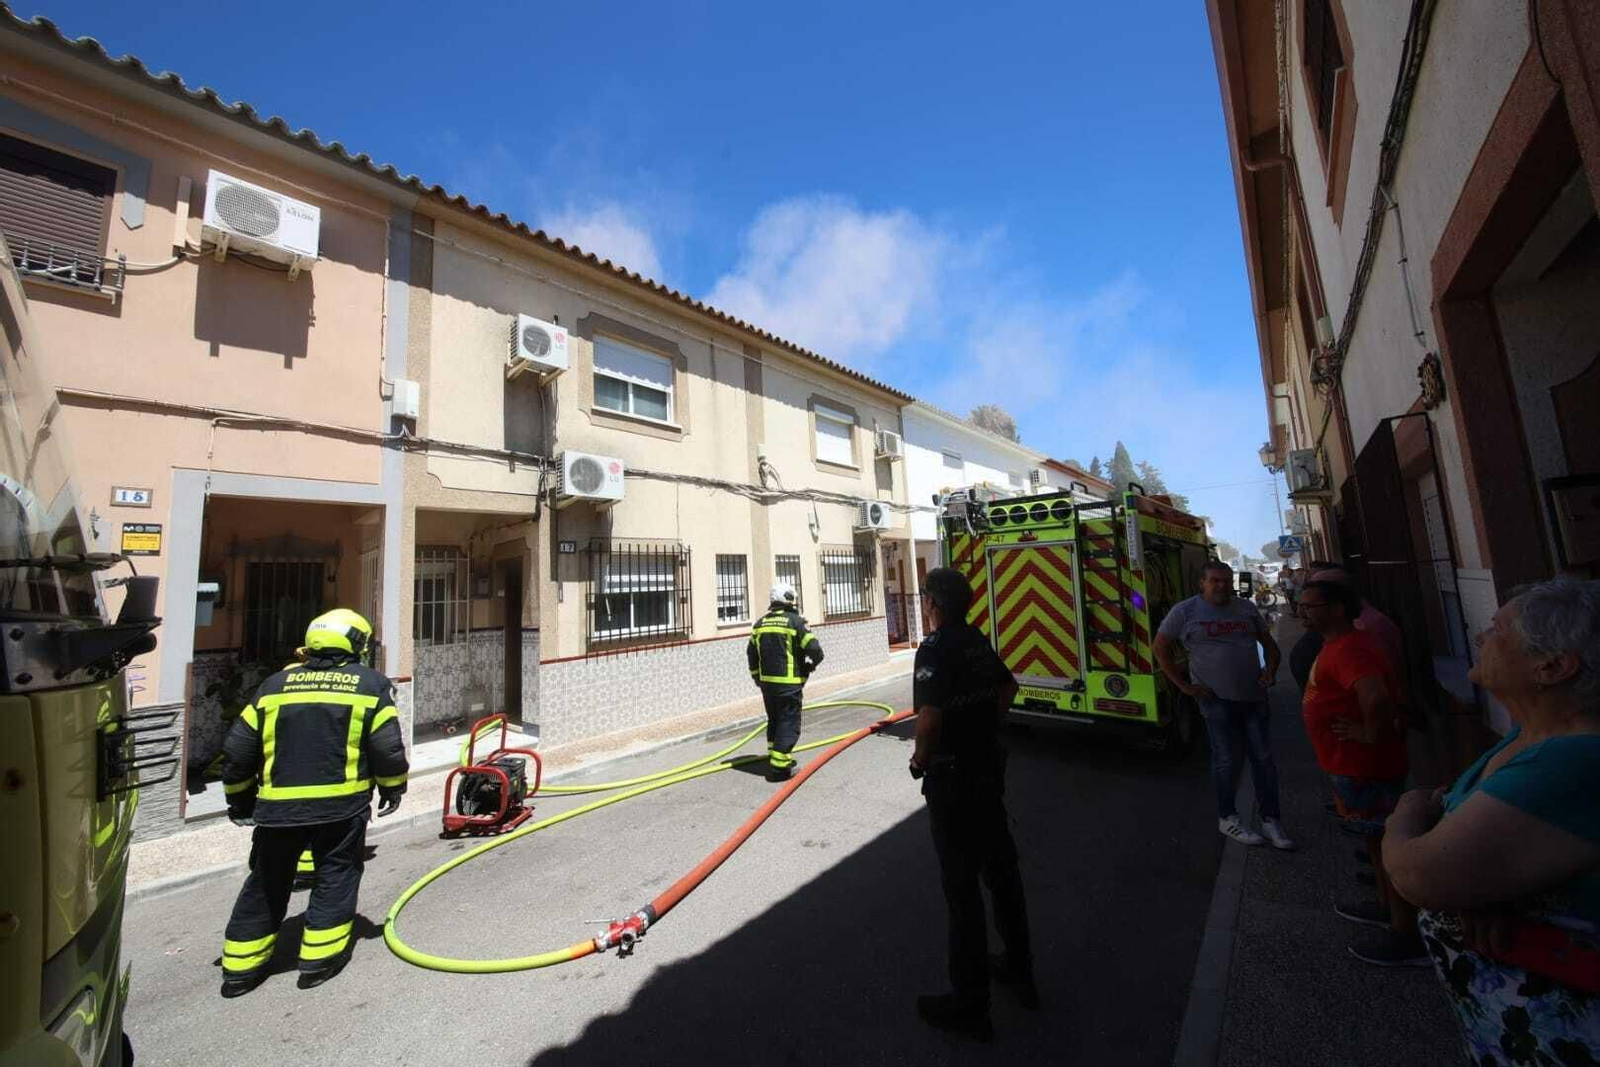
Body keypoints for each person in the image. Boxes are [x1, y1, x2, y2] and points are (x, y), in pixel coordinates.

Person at [1385, 579, 1600, 1063]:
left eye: (1497, 630)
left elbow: (1416, 872)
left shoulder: (1577, 761)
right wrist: (1485, 884)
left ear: (1553, 666)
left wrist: (1405, 815)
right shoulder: (1531, 734)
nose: (1480, 637)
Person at [218, 609, 408, 997]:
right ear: (357, 645)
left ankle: (240, 968)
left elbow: (238, 747)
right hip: (340, 808)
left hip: (277, 810)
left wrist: (239, 799)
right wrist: (393, 787)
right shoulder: (369, 685)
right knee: (335, 875)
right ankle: (319, 960)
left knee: (267, 881)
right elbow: (386, 747)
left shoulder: (275, 686)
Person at [909, 567, 1035, 1042]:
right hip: (988, 773)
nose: (924, 605)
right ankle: (1021, 973)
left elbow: (929, 719)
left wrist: (921, 760)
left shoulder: (935, 649)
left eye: (925, 598)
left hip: (953, 780)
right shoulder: (977, 639)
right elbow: (1008, 689)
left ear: (934, 604)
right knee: (1003, 875)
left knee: (961, 891)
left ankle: (969, 1004)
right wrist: (982, 725)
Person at [1296, 579, 1422, 965]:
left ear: (1336, 609)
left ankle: (1406, 936)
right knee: (1375, 841)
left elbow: (1376, 698)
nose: (1302, 611)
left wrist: (1369, 733)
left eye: (1310, 605)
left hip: (1364, 767)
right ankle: (1387, 908)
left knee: (1387, 846)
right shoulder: (1340, 645)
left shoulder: (1351, 648)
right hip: (1350, 765)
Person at [1154, 560, 1294, 849]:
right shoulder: (1184, 611)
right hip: (1215, 700)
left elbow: (1269, 645)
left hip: (1254, 696)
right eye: (1214, 580)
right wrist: (1182, 686)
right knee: (1226, 760)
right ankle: (1228, 817)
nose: (1221, 585)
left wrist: (1270, 671)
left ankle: (1271, 820)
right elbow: (1159, 647)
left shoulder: (1245, 608)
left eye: (1225, 580)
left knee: (1264, 760)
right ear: (1202, 584)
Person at [747, 582, 824, 781]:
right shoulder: (796, 622)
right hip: (789, 686)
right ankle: (780, 770)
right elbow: (815, 650)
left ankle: (775, 757)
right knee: (789, 723)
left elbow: (751, 654)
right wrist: (811, 665)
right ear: (789, 600)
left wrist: (756, 676)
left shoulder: (760, 624)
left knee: (774, 721)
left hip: (767, 686)